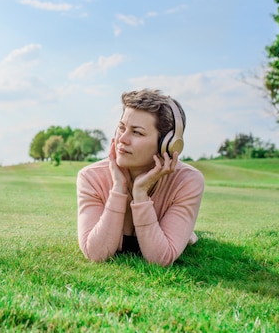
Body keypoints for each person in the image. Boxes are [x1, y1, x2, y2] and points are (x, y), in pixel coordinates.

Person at [76, 89, 204, 266]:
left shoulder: (187, 181)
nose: (123, 139)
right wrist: (118, 188)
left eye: (137, 132)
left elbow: (160, 258)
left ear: (166, 144)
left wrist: (141, 193)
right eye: (121, 128)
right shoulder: (91, 177)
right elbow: (96, 254)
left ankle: (187, 233)